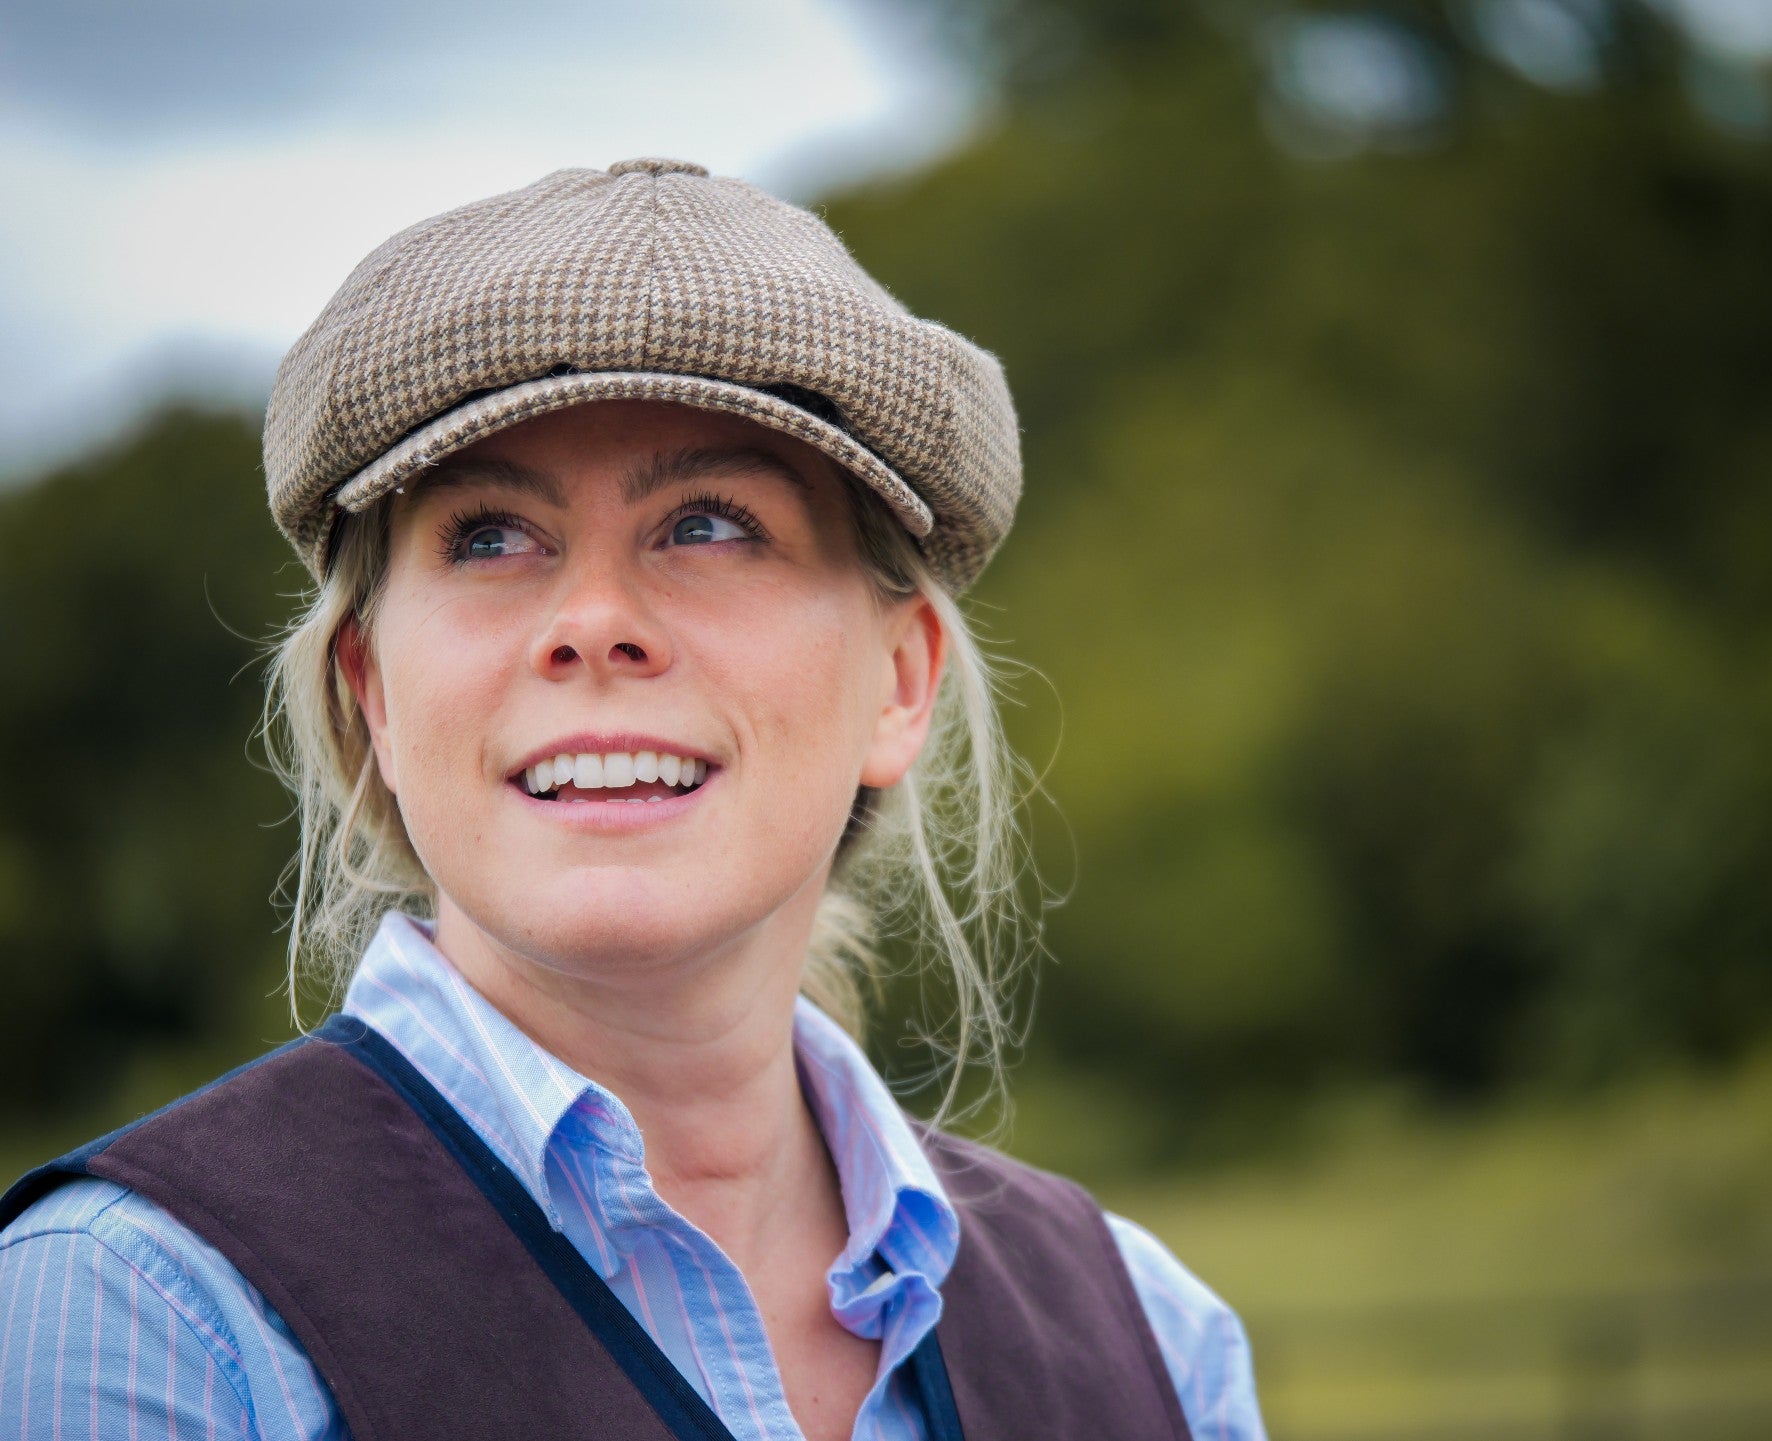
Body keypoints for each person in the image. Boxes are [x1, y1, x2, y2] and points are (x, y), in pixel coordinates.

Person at [0, 157, 1265, 1440]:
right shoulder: (145, 1320)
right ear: (371, 687)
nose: (594, 623)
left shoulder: (1158, 1344)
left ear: (899, 679)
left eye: (710, 523)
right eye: (490, 534)